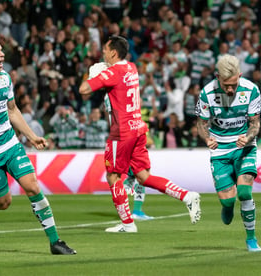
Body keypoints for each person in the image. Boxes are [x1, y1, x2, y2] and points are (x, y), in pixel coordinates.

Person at [0, 31, 76, 255]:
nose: (2, 54)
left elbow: (12, 110)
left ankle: (55, 242)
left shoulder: (5, 77)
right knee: (3, 203)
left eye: (1, 50)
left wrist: (31, 136)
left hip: (10, 145)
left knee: (32, 186)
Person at [79, 35, 201, 233]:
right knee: (143, 176)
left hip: (122, 130)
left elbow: (83, 89)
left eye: (105, 49)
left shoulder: (114, 72)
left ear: (113, 52)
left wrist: (92, 76)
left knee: (113, 176)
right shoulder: (132, 68)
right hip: (138, 127)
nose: (102, 52)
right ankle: (186, 196)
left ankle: (127, 224)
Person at [196, 54, 261, 252]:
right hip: (220, 150)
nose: (231, 89)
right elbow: (201, 124)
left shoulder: (251, 90)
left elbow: (255, 123)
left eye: (234, 84)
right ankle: (226, 206)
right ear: (217, 77)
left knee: (244, 192)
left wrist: (248, 138)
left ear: (240, 75)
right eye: (226, 85)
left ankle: (251, 239)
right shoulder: (207, 93)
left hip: (244, 146)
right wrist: (207, 138)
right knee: (228, 200)